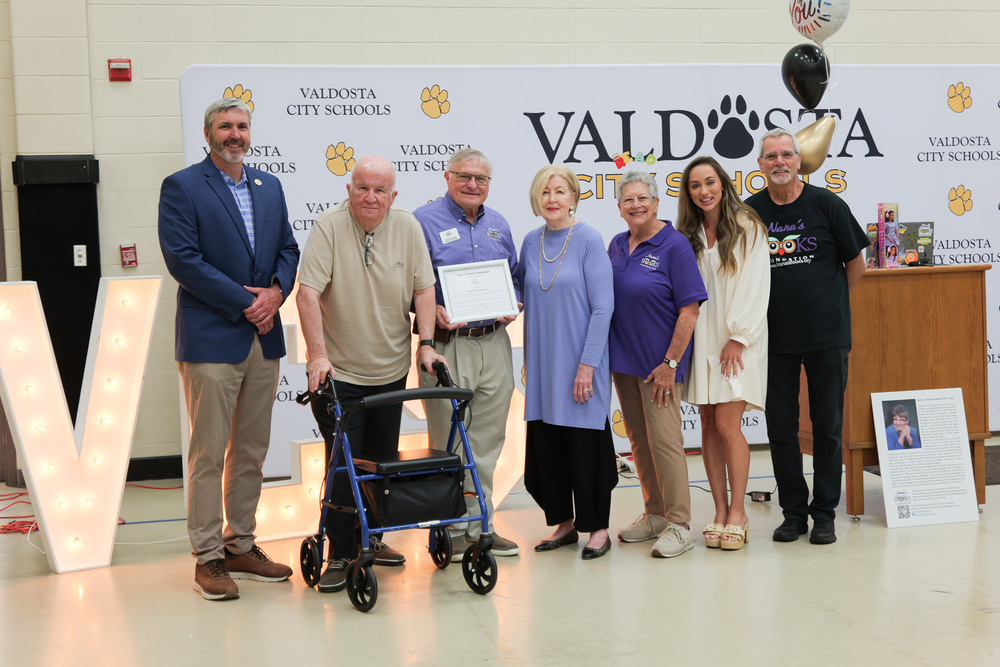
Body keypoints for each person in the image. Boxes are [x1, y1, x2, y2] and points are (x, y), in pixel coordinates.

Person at [158, 97, 299, 601]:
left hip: (263, 339)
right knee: (208, 453)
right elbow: (184, 260)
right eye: (225, 126)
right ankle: (208, 557)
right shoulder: (183, 186)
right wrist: (248, 303)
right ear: (207, 133)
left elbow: (288, 247)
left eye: (241, 126)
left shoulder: (270, 185)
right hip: (213, 338)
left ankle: (240, 543)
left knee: (252, 451)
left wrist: (278, 293)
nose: (234, 134)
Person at [296, 155, 446, 593]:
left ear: (393, 195)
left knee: (381, 462)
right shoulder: (328, 226)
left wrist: (427, 344)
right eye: (362, 187)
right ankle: (342, 553)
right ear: (349, 189)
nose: (370, 197)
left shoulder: (406, 226)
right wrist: (317, 355)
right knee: (344, 467)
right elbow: (307, 293)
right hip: (340, 374)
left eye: (380, 190)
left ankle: (373, 540)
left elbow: (424, 288)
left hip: (390, 370)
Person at [746, 128, 868, 545]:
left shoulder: (828, 204)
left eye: (786, 155)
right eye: (770, 157)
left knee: (828, 426)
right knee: (781, 428)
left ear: (800, 161)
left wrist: (827, 306)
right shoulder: (749, 213)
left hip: (826, 337)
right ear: (759, 166)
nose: (778, 162)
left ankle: (825, 513)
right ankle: (794, 513)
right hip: (773, 340)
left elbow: (857, 266)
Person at [413, 149, 521, 561]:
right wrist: (428, 310)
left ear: (489, 184)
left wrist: (515, 301)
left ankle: (481, 526)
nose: (473, 184)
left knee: (488, 439)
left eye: (481, 179)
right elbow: (406, 281)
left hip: (494, 341)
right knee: (448, 439)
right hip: (446, 344)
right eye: (465, 176)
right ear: (447, 176)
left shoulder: (498, 225)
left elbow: (514, 278)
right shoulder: (423, 221)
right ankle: (450, 529)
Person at [517, 165, 617, 560]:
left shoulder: (590, 240)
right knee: (549, 445)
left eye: (560, 191)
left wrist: (587, 364)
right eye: (545, 192)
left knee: (585, 445)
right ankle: (564, 523)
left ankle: (598, 528)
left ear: (574, 196)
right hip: (543, 365)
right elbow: (521, 295)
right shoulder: (529, 241)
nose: (552, 199)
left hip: (580, 362)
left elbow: (603, 306)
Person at [608, 170, 706, 559]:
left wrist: (670, 362)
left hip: (659, 366)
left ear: (656, 202)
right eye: (627, 200)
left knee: (665, 442)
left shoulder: (675, 245)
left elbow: (690, 309)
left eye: (641, 199)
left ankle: (679, 524)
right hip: (624, 362)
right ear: (619, 208)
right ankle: (654, 514)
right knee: (638, 441)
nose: (635, 206)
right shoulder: (616, 245)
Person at [676, 156, 769, 552]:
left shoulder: (747, 225)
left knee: (729, 424)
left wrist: (738, 336)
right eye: (695, 185)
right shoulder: (688, 233)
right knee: (708, 424)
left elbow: (754, 284)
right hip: (702, 338)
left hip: (737, 339)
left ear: (723, 183)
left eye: (710, 182)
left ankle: (739, 513)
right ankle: (717, 510)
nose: (704, 191)